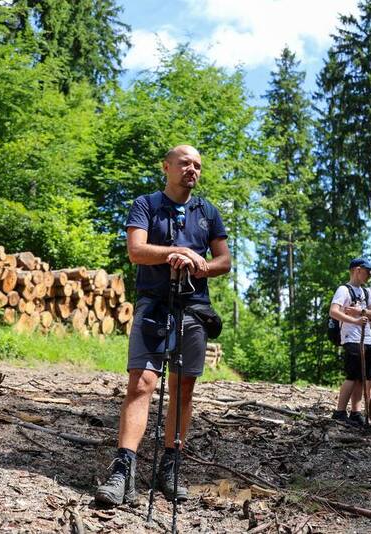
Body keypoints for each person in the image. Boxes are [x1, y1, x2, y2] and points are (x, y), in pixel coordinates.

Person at [95, 145, 231, 507]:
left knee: (184, 387)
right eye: (185, 163)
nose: (193, 170)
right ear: (166, 167)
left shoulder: (208, 212)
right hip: (154, 303)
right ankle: (123, 468)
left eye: (198, 166)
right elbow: (136, 251)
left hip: (194, 308)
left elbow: (224, 261)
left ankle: (171, 465)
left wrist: (200, 264)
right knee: (142, 383)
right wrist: (176, 252)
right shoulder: (146, 204)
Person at [329, 258, 371, 426]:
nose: (370, 274)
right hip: (351, 338)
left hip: (367, 338)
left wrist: (360, 311)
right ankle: (339, 412)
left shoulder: (366, 292)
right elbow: (334, 312)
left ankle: (355, 412)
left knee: (362, 378)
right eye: (367, 271)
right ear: (358, 270)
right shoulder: (344, 290)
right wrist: (355, 321)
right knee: (352, 376)